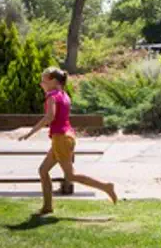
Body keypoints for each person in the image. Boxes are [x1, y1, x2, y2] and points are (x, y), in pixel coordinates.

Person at [19, 67, 117, 215]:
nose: (41, 84)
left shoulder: (52, 96)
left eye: (43, 81)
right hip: (66, 137)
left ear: (53, 81)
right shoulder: (64, 95)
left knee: (70, 176)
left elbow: (49, 117)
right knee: (43, 170)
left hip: (61, 139)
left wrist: (30, 132)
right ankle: (47, 207)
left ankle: (106, 187)